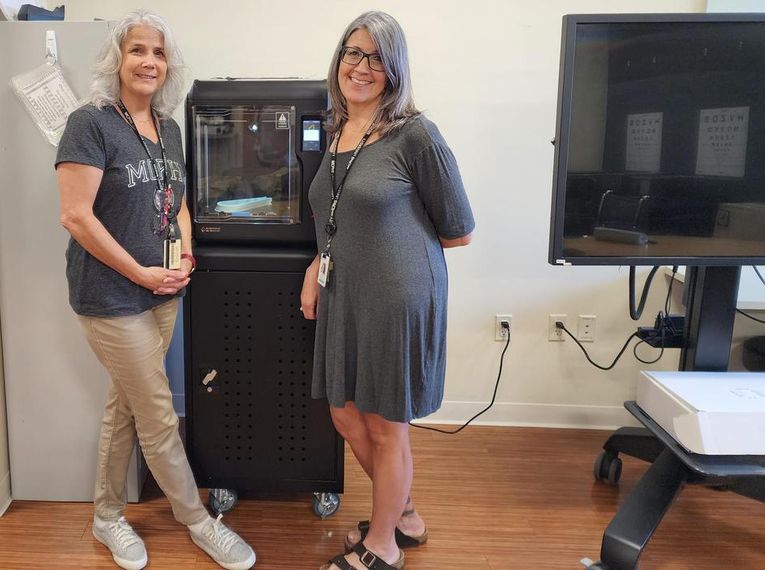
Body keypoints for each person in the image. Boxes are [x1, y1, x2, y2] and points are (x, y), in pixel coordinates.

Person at [55, 10, 256, 570]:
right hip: (110, 296)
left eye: (159, 53)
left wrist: (184, 253)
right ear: (116, 60)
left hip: (164, 292)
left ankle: (106, 516)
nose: (150, 61)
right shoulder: (90, 122)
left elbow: (180, 203)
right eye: (137, 50)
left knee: (127, 407)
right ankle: (196, 520)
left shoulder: (167, 127)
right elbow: (76, 216)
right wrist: (140, 273)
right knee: (160, 415)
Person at [301, 11, 475, 570]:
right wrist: (318, 264)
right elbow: (338, 216)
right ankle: (400, 512)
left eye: (377, 58)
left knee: (383, 421)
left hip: (396, 298)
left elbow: (459, 228)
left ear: (394, 70)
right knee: (346, 416)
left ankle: (383, 545)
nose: (362, 66)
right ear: (339, 60)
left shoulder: (416, 134)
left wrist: (390, 260)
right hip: (346, 291)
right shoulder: (340, 129)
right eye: (353, 52)